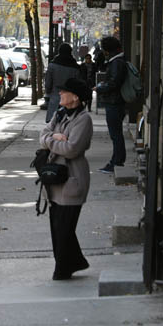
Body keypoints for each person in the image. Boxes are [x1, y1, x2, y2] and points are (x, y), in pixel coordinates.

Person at [39, 77, 92, 280]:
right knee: (57, 227)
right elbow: (42, 135)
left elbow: (71, 149)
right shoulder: (60, 114)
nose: (59, 94)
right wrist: (54, 138)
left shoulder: (83, 119)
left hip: (72, 180)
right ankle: (74, 263)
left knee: (64, 228)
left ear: (75, 97)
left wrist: (50, 140)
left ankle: (63, 270)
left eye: (64, 92)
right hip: (54, 181)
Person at [94, 36, 127, 173]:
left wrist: (100, 88)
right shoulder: (117, 61)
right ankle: (117, 160)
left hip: (114, 102)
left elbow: (114, 83)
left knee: (115, 134)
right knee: (116, 133)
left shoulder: (116, 63)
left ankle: (117, 161)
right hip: (115, 101)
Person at [44, 42, 81, 122]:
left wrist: (48, 92)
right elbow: (78, 84)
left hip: (55, 96)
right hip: (70, 99)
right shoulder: (75, 67)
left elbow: (48, 83)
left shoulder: (52, 66)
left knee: (53, 122)